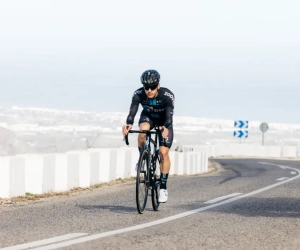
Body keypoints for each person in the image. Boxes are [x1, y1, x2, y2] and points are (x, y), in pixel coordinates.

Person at [122, 69, 175, 203]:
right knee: (142, 132)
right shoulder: (138, 94)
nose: (149, 90)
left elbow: (169, 116)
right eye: (146, 88)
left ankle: (163, 187)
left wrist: (165, 126)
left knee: (163, 153)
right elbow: (132, 111)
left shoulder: (167, 95)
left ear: (158, 85)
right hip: (148, 117)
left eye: (152, 87)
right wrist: (128, 124)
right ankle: (142, 158)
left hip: (164, 121)